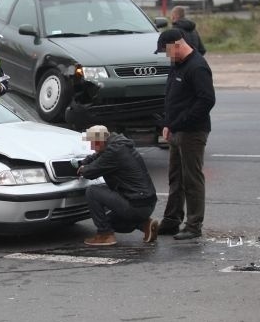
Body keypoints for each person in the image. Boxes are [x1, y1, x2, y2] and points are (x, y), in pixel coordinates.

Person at [154, 29, 216, 240]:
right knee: (176, 178)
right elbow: (171, 95)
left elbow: (206, 100)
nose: (166, 55)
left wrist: (180, 122)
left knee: (192, 179)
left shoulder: (197, 67)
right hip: (176, 130)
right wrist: (167, 123)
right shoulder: (177, 65)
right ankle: (172, 220)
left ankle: (193, 225)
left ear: (177, 44)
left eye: (166, 50)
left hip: (192, 132)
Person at [72, 125, 158, 246]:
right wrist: (84, 162)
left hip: (136, 204)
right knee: (111, 222)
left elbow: (90, 172)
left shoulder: (114, 152)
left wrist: (81, 169)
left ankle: (105, 235)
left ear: (101, 140)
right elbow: (97, 156)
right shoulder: (118, 145)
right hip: (146, 203)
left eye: (93, 143)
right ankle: (145, 225)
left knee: (92, 191)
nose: (91, 147)